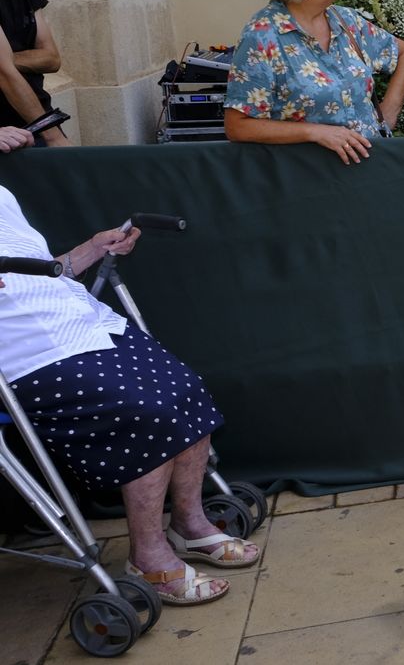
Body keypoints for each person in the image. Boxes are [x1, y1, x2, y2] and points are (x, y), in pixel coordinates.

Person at [0, 165, 260, 606]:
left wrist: (89, 249)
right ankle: (148, 555)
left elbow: (44, 271)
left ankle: (189, 522)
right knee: (145, 412)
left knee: (185, 389)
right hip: (23, 355)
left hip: (82, 323)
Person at [224, 0, 404, 164]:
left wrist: (389, 111)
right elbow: (238, 126)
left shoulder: (346, 21)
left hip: (369, 171)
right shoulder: (263, 36)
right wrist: (314, 132)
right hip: (308, 180)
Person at [0, 0, 71, 146]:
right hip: (8, 136)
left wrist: (9, 58)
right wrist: (55, 139)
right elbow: (4, 73)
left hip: (37, 120)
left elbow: (51, 58)